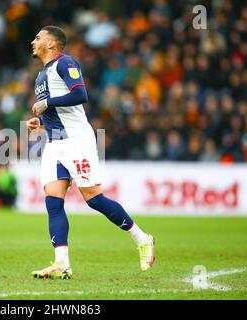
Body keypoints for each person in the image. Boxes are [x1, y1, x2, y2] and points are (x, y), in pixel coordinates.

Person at [27, 26, 155, 279]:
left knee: (93, 198)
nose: (33, 41)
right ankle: (62, 263)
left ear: (52, 44)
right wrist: (40, 123)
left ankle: (142, 239)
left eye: (38, 37)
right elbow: (60, 113)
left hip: (77, 141)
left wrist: (47, 103)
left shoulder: (66, 63)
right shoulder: (41, 75)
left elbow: (80, 94)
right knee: (53, 200)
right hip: (54, 144)